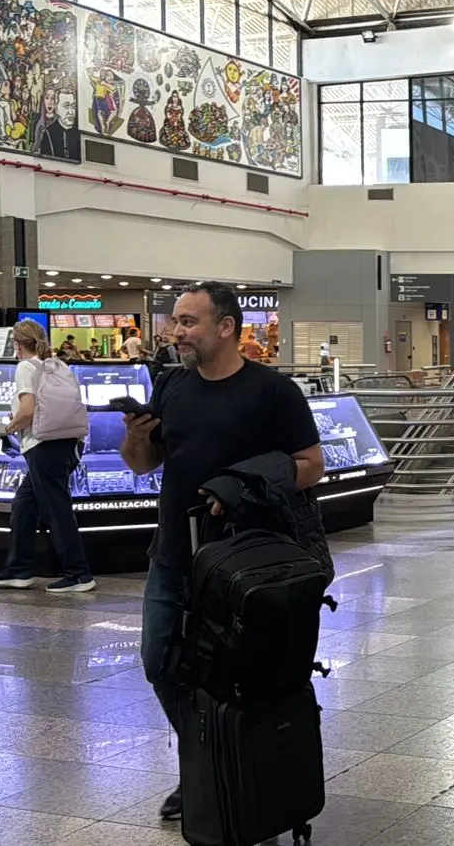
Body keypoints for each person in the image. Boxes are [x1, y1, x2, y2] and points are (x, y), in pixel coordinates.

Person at [120, 282, 325, 822]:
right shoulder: (171, 385)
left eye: (188, 322)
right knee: (159, 660)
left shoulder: (273, 392)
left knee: (239, 672)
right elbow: (143, 464)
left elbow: (311, 465)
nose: (176, 333)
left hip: (243, 565)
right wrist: (137, 436)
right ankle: (206, 764)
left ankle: (239, 773)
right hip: (173, 552)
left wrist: (243, 484)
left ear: (227, 326)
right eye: (176, 322)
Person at [0, 320, 95, 593]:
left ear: (17, 344)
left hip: (43, 445)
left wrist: (7, 428)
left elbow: (28, 410)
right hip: (68, 442)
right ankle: (18, 569)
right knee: (24, 504)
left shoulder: (25, 367)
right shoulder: (57, 364)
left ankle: (79, 574)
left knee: (56, 509)